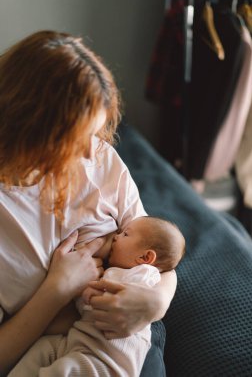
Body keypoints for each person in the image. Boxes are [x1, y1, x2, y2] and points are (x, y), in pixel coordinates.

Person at [0, 30, 177, 376]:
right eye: (75, 138)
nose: (88, 152)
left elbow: (158, 254)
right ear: (29, 131)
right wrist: (57, 289)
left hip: (126, 336)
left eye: (95, 133)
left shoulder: (99, 158)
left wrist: (156, 302)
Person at [8, 216, 185, 376]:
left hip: (105, 360)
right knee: (44, 349)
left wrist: (82, 289)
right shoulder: (127, 273)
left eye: (125, 234)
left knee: (63, 371)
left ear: (145, 257)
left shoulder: (142, 275)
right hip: (81, 342)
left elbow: (96, 298)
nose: (115, 236)